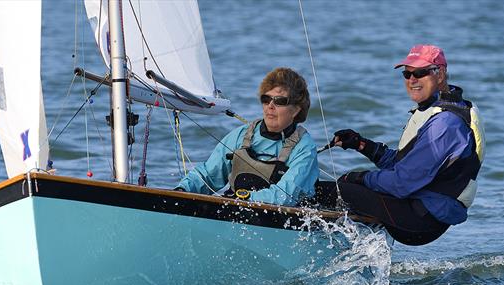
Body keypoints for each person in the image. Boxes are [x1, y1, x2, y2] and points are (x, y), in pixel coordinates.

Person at [316, 44, 485, 245]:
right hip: (419, 207)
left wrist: (359, 177)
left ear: (440, 74)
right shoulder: (440, 110)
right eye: (407, 74)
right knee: (347, 188)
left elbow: (402, 182)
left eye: (421, 73)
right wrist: (362, 145)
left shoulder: (445, 124)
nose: (412, 79)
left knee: (325, 190)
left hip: (422, 219)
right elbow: (403, 164)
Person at [174, 67, 318, 206]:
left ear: (296, 110)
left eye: (279, 101)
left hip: (283, 219)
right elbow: (209, 175)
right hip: (237, 209)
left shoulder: (304, 147)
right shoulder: (241, 135)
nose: (270, 106)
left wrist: (245, 198)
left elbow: (285, 196)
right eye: (266, 99)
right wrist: (182, 190)